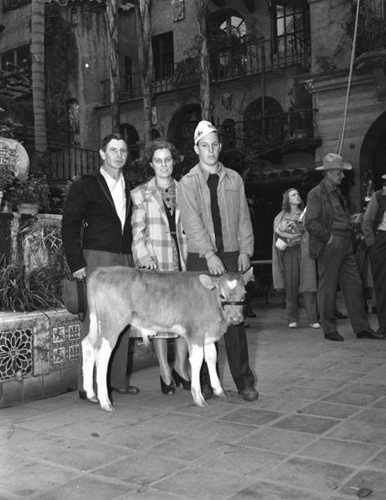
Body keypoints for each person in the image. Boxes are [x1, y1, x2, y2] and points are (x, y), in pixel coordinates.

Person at [178, 120, 258, 402]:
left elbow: (243, 218)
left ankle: (244, 381)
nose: (210, 150)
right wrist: (209, 254)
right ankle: (204, 384)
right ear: (196, 149)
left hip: (232, 255)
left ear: (220, 147)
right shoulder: (187, 183)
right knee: (200, 321)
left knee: (234, 319)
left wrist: (246, 249)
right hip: (201, 258)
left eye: (214, 145)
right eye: (204, 146)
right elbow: (191, 222)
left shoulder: (234, 179)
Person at [62, 133, 140, 401]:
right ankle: (87, 385)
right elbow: (69, 223)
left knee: (123, 320)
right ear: (102, 153)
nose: (119, 155)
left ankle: (117, 381)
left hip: (124, 259)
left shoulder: (129, 186)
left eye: (123, 150)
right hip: (97, 258)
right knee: (95, 323)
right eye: (113, 150)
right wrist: (76, 263)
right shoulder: (86, 184)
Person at [130, 138, 191, 394]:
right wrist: (144, 257)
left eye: (167, 159)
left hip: (185, 259)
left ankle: (180, 366)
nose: (164, 165)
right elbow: (137, 230)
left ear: (174, 161)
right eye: (158, 160)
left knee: (185, 315)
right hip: (156, 260)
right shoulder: (140, 193)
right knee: (160, 317)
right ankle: (164, 370)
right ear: (151, 164)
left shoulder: (186, 188)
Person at [305, 152, 382, 341]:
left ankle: (362, 328)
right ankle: (329, 329)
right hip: (331, 243)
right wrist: (328, 237)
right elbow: (310, 222)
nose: (343, 176)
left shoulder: (337, 192)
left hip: (346, 242)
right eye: (339, 173)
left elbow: (335, 217)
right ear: (330, 173)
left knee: (355, 285)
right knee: (328, 288)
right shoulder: (316, 193)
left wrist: (351, 220)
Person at [272, 188, 319, 329]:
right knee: (291, 285)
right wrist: (288, 235)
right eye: (293, 195)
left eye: (298, 194)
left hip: (306, 251)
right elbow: (276, 235)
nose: (297, 196)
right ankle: (293, 318)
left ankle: (313, 319)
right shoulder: (280, 217)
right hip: (289, 252)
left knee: (309, 283)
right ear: (287, 199)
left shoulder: (306, 214)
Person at [361, 173, 386, 338]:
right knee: (382, 284)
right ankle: (384, 325)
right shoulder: (378, 196)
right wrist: (372, 245)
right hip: (381, 240)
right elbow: (367, 222)